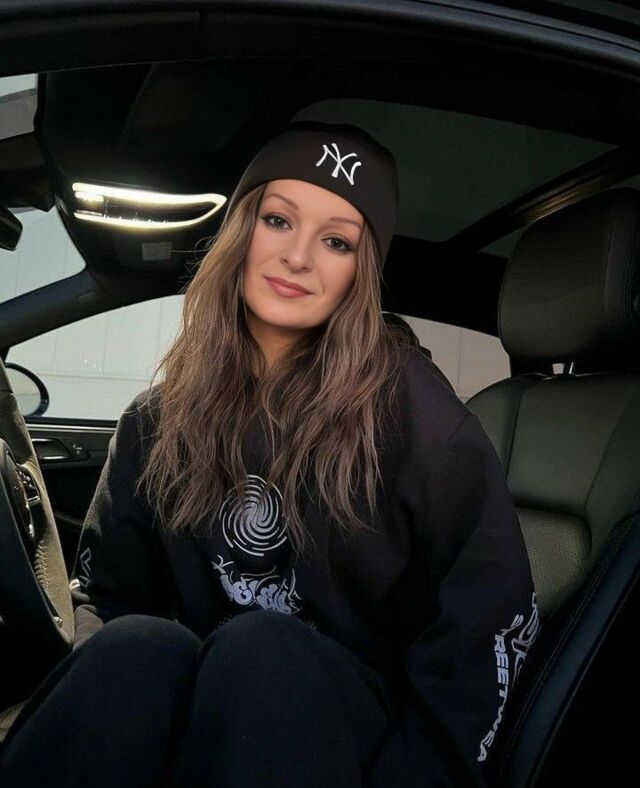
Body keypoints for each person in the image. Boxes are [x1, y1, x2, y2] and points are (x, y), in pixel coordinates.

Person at [0, 121, 540, 787]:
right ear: (242, 231)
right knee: (138, 646)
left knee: (263, 649)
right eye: (279, 220)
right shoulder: (157, 421)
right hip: (218, 719)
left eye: (337, 241)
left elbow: (482, 641)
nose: (298, 257)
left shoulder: (424, 424)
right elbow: (109, 599)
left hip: (348, 739)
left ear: (359, 272)